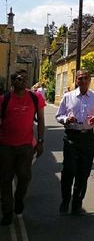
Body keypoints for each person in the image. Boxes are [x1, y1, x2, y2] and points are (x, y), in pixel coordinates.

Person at [55, 69, 94, 215]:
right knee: (69, 170)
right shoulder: (68, 96)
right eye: (80, 78)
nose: (83, 81)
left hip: (88, 137)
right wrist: (66, 120)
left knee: (84, 172)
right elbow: (59, 115)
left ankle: (77, 204)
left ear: (89, 80)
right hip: (71, 136)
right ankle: (65, 200)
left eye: (85, 78)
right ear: (76, 80)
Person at [0, 73, 46, 226]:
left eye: (25, 79)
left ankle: (18, 200)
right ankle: (7, 213)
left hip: (26, 146)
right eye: (19, 79)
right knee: (5, 180)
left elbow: (41, 120)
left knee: (25, 177)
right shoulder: (4, 99)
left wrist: (40, 141)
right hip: (6, 146)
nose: (22, 81)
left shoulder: (35, 98)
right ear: (12, 81)